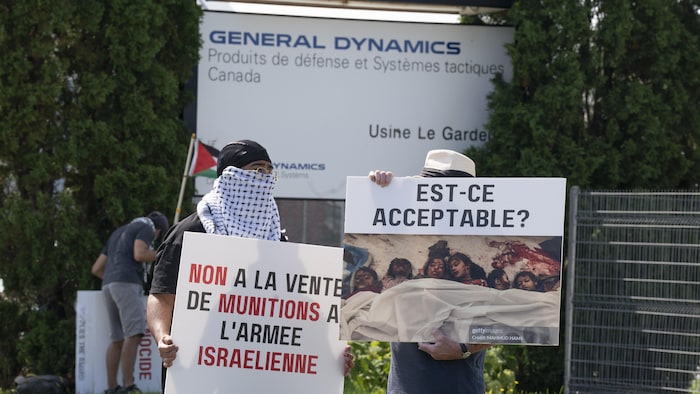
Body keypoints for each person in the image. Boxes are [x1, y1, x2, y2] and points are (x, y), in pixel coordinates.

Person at [146, 139, 354, 389]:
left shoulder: (276, 239)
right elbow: (162, 295)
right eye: (256, 168)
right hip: (201, 364)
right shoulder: (191, 232)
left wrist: (329, 356)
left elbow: (299, 307)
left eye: (268, 170)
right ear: (230, 176)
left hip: (257, 371)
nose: (264, 176)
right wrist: (162, 338)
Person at [369, 149, 491, 394]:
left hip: (460, 386)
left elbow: (506, 327)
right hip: (405, 387)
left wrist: (463, 349)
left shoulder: (480, 251)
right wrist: (377, 191)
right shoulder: (406, 234)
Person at [91, 211, 170, 394]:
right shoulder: (146, 227)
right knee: (134, 334)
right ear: (157, 229)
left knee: (117, 339)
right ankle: (128, 386)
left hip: (108, 284)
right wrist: (162, 254)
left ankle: (112, 388)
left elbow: (96, 268)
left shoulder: (119, 232)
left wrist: (115, 279)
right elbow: (140, 253)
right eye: (157, 236)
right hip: (127, 283)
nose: (155, 238)